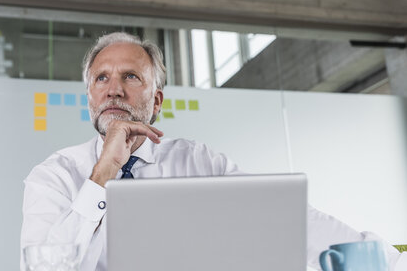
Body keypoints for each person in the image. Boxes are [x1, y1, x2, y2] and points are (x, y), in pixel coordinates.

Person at [21, 32, 406, 271]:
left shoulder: (196, 160)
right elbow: (44, 267)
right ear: (90, 97)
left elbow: (282, 218)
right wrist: (102, 175)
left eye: (130, 77)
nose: (113, 89)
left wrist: (390, 262)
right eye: (101, 78)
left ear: (156, 101)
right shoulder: (54, 175)